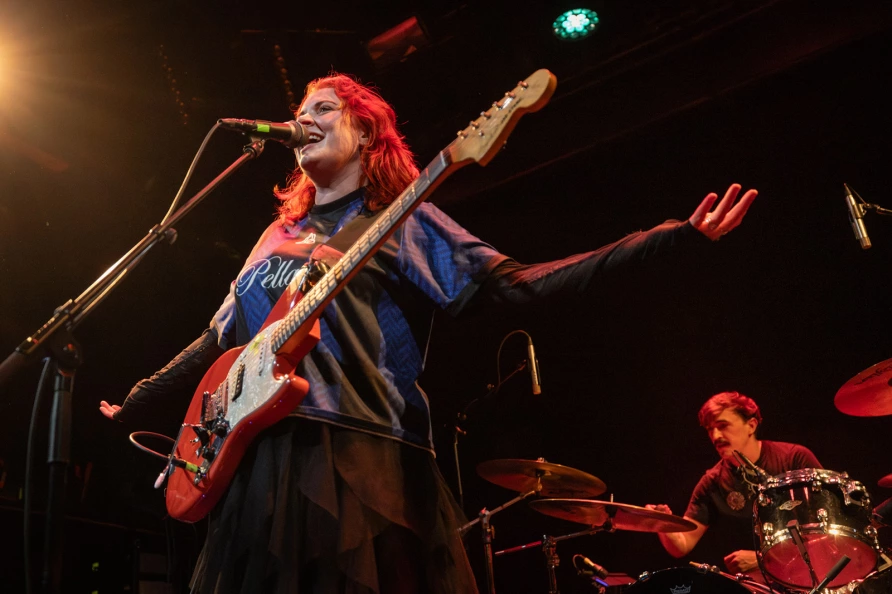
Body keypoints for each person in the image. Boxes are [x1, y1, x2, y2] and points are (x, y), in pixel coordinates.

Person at [99, 73, 757, 593]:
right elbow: (219, 339)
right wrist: (137, 398)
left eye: (325, 109)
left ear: (366, 133)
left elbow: (519, 285)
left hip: (363, 456)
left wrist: (664, 239)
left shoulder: (402, 220)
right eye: (302, 111)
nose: (306, 120)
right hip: (259, 463)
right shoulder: (275, 235)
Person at [647, 391, 821, 575]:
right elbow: (682, 545)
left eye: (723, 426)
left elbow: (830, 526)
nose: (715, 436)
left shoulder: (794, 459)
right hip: (759, 583)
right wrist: (661, 523)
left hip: (811, 572)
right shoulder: (712, 482)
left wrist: (764, 558)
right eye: (710, 429)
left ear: (751, 425)